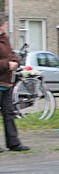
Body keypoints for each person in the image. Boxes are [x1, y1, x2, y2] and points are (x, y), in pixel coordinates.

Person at [0, 14, 30, 152]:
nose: (6, 26)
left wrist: (16, 61)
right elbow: (6, 60)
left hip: (6, 83)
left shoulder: (4, 38)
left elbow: (12, 54)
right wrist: (7, 64)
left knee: (9, 113)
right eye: (5, 23)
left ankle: (13, 143)